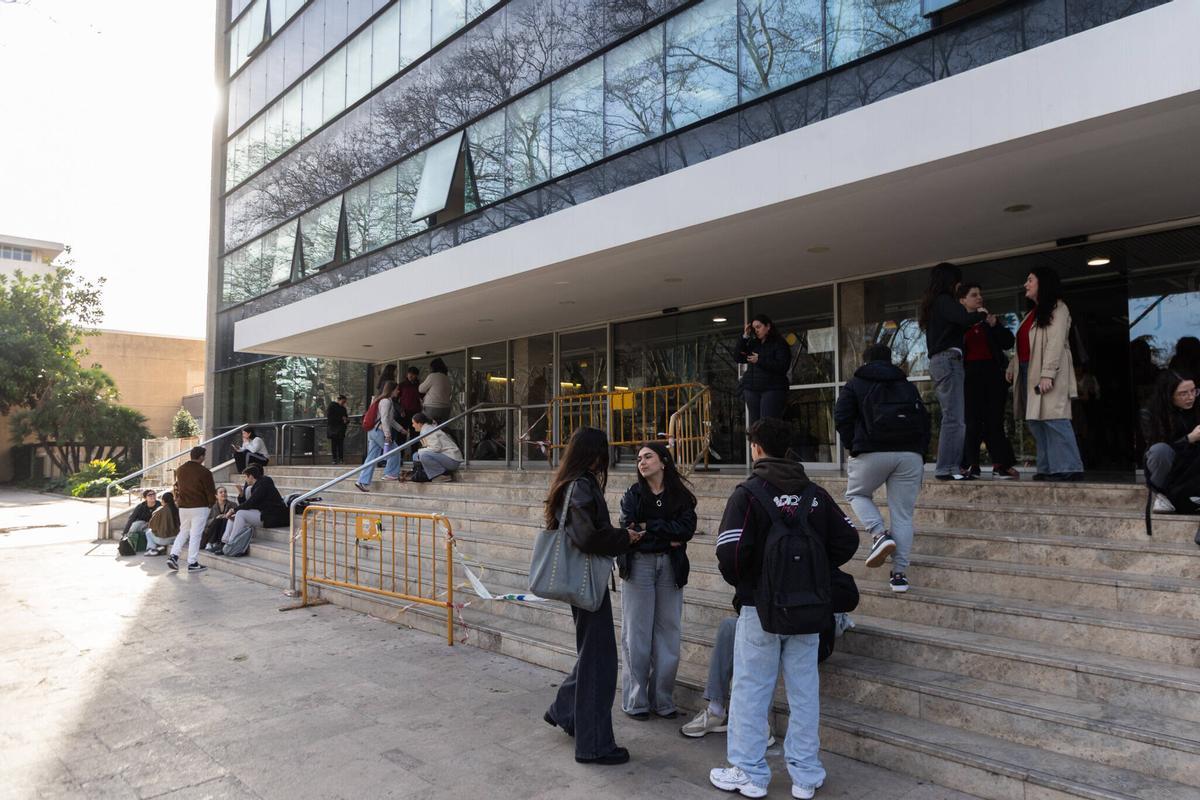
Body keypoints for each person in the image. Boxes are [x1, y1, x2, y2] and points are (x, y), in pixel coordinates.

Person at [709, 418, 858, 799]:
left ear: (756, 447)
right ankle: (806, 775)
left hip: (760, 608)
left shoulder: (749, 493)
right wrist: (812, 572)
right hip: (808, 610)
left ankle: (749, 772)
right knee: (804, 691)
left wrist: (752, 583)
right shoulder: (815, 494)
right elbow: (847, 540)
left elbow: (730, 552)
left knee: (750, 690)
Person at [543, 427, 643, 766]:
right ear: (594, 453)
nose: (607, 458)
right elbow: (587, 536)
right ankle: (594, 744)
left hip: (585, 583)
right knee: (599, 661)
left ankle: (566, 711)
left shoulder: (573, 482)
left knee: (593, 654)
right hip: (586, 584)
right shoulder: (581, 485)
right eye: (604, 451)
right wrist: (623, 537)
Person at [682, 571, 858, 740]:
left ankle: (759, 724)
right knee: (731, 627)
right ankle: (716, 709)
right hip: (768, 625)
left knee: (769, 642)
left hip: (807, 635)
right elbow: (741, 599)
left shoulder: (812, 556)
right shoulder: (767, 559)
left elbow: (849, 595)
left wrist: (807, 598)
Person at [834, 344, 930, 593]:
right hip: (910, 455)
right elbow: (925, 419)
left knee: (856, 494)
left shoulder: (856, 383)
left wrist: (853, 445)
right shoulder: (906, 384)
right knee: (903, 515)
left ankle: (879, 535)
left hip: (870, 452)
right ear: (890, 360)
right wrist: (921, 452)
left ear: (865, 361)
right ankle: (899, 575)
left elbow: (841, 416)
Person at [617, 442, 697, 721]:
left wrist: (649, 527)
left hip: (671, 567)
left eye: (648, 456)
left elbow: (686, 530)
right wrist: (665, 534)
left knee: (668, 633)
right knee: (636, 634)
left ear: (663, 461)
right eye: (639, 458)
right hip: (639, 565)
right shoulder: (633, 495)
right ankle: (635, 701)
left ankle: (663, 700)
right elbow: (629, 529)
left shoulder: (681, 496)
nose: (642, 462)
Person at [1005, 267, 1084, 482]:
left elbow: (1056, 342)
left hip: (1048, 371)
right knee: (1037, 421)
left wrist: (1048, 373)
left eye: (1030, 280)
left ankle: (1069, 467)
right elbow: (1023, 344)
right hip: (1028, 370)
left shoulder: (1059, 308)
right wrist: (1012, 367)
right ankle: (1049, 468)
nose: (1025, 284)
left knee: (1055, 417)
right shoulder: (1033, 312)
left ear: (1043, 283)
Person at [919, 262, 987, 482]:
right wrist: (980, 315)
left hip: (943, 361)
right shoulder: (944, 301)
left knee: (953, 417)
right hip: (949, 360)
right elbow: (964, 318)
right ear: (951, 281)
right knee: (955, 418)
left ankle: (949, 466)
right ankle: (948, 468)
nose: (959, 286)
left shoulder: (935, 303)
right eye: (957, 281)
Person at [957, 283, 1019, 479]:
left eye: (980, 295)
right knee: (972, 422)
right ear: (963, 300)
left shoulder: (989, 320)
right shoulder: (959, 324)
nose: (979, 298)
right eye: (974, 295)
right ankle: (971, 465)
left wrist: (995, 325)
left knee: (995, 421)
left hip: (992, 375)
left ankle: (1000, 464)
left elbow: (1008, 342)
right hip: (969, 377)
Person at [1143, 370, 1200, 513]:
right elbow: (1156, 447)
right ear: (1169, 395)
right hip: (1172, 464)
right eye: (1183, 393)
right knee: (1159, 450)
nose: (1190, 397)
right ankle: (1162, 496)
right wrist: (1189, 439)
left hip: (1194, 465)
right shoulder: (1151, 414)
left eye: (1194, 391)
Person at [217, 464, 287, 557]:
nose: (245, 479)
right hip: (262, 513)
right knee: (235, 516)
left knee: (240, 513)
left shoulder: (264, 483)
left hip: (271, 517)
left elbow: (251, 502)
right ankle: (225, 543)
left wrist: (233, 510)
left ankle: (231, 545)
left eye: (246, 477)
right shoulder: (255, 485)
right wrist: (240, 497)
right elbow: (247, 503)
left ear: (251, 476)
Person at [168, 446, 218, 573]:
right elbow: (210, 491)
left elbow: (177, 487)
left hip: (183, 507)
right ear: (201, 457)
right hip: (200, 506)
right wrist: (211, 504)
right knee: (195, 535)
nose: (204, 458)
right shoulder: (205, 472)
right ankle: (192, 562)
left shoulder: (180, 470)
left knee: (183, 532)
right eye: (204, 456)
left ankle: (173, 556)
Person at [735, 314, 791, 425]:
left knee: (767, 425)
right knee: (754, 426)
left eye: (759, 327)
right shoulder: (753, 344)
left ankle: (767, 442)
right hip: (752, 389)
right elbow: (738, 357)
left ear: (768, 326)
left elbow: (782, 366)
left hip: (772, 388)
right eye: (754, 328)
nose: (756, 330)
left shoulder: (779, 343)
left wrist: (759, 360)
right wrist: (745, 336)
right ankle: (755, 442)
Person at [354, 381, 403, 492]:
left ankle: (362, 481)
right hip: (379, 431)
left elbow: (389, 420)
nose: (398, 391)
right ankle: (390, 474)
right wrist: (387, 435)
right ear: (392, 390)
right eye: (397, 389)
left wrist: (400, 429)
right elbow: (384, 419)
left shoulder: (381, 399)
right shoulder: (386, 401)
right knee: (395, 451)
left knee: (371, 457)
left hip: (372, 431)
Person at [407, 413, 463, 483]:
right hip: (447, 458)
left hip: (452, 461)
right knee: (416, 455)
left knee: (423, 455)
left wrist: (420, 451)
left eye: (413, 423)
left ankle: (441, 476)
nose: (413, 425)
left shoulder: (428, 430)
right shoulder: (426, 429)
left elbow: (436, 448)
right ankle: (428, 474)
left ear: (420, 424)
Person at [201, 486, 238, 551]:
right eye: (221, 492)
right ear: (216, 496)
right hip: (212, 529)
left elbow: (236, 517)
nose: (224, 493)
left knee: (224, 520)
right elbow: (207, 522)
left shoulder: (233, 505)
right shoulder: (212, 506)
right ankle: (212, 542)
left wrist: (225, 516)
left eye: (225, 492)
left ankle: (213, 542)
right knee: (217, 520)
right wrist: (216, 518)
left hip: (226, 529)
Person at [144, 491, 179, 557]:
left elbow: (152, 526)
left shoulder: (160, 510)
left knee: (148, 532)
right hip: (176, 538)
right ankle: (161, 548)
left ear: (163, 500)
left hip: (164, 540)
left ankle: (151, 549)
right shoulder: (177, 509)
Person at [325, 395, 350, 464]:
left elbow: (346, 417)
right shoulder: (332, 406)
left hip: (341, 429)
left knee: (340, 444)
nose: (343, 403)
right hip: (334, 428)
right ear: (339, 400)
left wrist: (346, 420)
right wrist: (342, 419)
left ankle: (340, 458)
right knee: (335, 444)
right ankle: (335, 459)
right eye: (343, 401)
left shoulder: (343, 409)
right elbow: (330, 418)